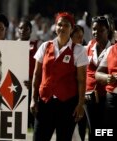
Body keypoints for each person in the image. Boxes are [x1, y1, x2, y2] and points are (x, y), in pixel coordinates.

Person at [30, 12, 89, 141]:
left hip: (67, 105)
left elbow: (81, 80)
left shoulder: (78, 50)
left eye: (66, 25)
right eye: (59, 24)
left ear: (72, 28)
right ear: (55, 27)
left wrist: (80, 104)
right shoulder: (45, 46)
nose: (62, 28)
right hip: (45, 102)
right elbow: (37, 74)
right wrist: (33, 99)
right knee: (39, 138)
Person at [84, 16, 113, 141]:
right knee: (93, 129)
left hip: (105, 96)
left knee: (104, 131)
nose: (97, 32)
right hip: (88, 96)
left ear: (108, 30)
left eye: (101, 30)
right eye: (94, 29)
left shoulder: (112, 49)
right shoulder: (88, 46)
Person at [17, 18, 42, 128]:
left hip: (32, 84)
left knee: (32, 115)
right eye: (21, 28)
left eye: (26, 28)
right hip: (15, 85)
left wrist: (33, 81)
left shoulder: (37, 44)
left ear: (30, 31)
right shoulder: (12, 45)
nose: (23, 30)